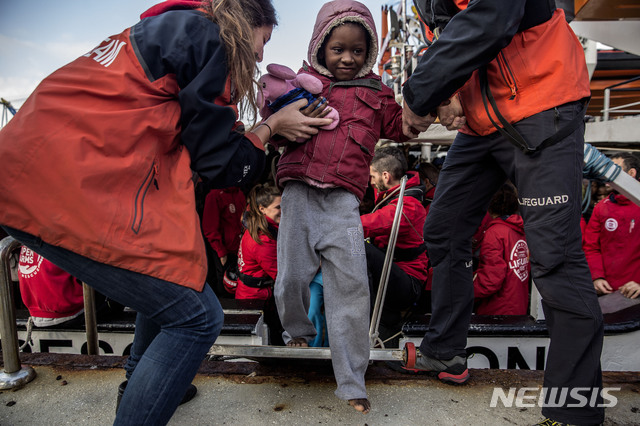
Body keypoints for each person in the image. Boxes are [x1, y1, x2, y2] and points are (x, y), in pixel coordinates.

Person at [0, 0, 333, 424]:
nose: (262, 56)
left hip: (29, 176)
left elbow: (186, 135)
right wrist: (272, 128)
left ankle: (147, 382)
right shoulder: (208, 35)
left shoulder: (166, 31)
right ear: (245, 23)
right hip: (59, 191)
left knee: (167, 278)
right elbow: (219, 164)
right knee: (198, 316)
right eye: (263, 40)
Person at [401, 1, 604, 424]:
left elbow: (493, 17)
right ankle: (445, 351)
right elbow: (456, 39)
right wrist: (451, 92)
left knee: (556, 259)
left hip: (543, 106)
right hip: (484, 122)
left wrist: (419, 94)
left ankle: (574, 413)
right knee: (444, 227)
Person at [271, 0, 408, 414]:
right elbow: (273, 121)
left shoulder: (377, 93)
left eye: (358, 51)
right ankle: (296, 329)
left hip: (344, 204)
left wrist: (431, 105)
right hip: (298, 194)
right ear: (320, 47)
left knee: (351, 288)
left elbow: (402, 125)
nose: (348, 57)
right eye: (338, 49)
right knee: (292, 273)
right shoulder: (302, 83)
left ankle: (352, 381)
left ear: (368, 54)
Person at [361, 146, 428, 345]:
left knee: (362, 250)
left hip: (408, 283)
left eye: (372, 176)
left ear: (386, 176)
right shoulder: (393, 195)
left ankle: (374, 320)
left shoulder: (408, 206)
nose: (370, 181)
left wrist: (334, 226)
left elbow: (372, 223)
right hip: (395, 274)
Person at [583, 152, 640, 300]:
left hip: (636, 292)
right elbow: (591, 247)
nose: (607, 174)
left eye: (614, 169)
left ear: (631, 173)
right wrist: (597, 277)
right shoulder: (601, 208)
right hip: (607, 294)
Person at [473, 183, 530, 316]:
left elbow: (491, 279)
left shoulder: (495, 233)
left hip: (497, 310)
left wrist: (465, 293)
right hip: (518, 305)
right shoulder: (520, 230)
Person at [202, 186, 246, 297]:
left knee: (237, 283)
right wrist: (221, 252)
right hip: (223, 250)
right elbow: (210, 228)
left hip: (239, 249)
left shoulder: (239, 193)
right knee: (224, 284)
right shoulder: (214, 196)